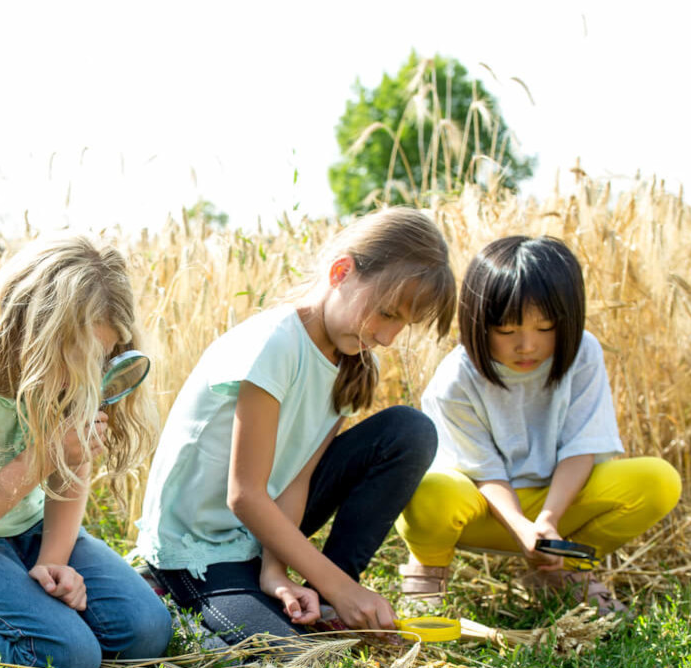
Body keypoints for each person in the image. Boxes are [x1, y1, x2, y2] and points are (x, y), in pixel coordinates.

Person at [136, 207, 456, 645]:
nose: (388, 337)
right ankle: (167, 591)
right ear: (341, 271)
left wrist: (276, 571)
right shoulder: (276, 342)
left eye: (404, 323)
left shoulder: (353, 360)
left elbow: (295, 477)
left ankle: (322, 594)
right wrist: (344, 590)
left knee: (410, 431)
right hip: (197, 546)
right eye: (385, 313)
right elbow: (244, 494)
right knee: (283, 654)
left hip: (258, 536)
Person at [0, 234, 173, 668]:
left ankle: (7, 611)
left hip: (27, 527)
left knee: (145, 631)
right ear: (30, 329)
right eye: (78, 356)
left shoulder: (71, 374)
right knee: (69, 657)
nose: (87, 374)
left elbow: (72, 467)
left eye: (102, 357)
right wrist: (44, 454)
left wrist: (53, 560)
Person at [396, 235, 680, 615]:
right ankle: (429, 568)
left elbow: (582, 446)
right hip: (481, 509)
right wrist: (519, 525)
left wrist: (547, 522)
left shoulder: (584, 353)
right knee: (426, 491)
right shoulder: (455, 379)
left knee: (658, 481)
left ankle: (566, 570)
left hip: (558, 503)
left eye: (545, 328)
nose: (527, 345)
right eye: (508, 331)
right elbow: (485, 471)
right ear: (477, 322)